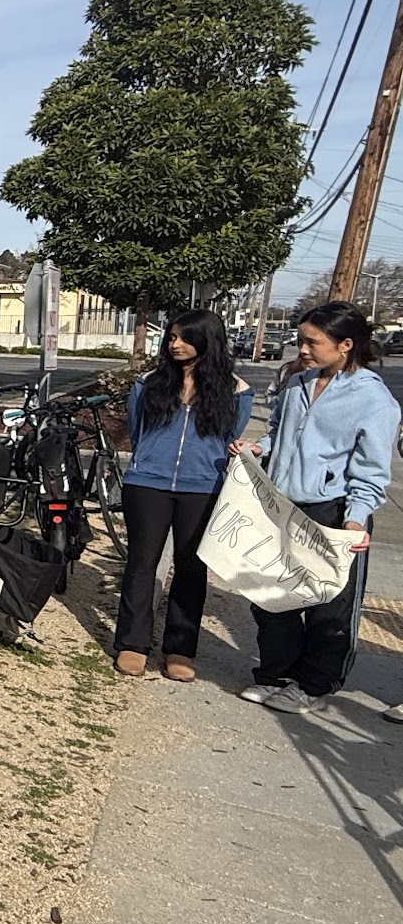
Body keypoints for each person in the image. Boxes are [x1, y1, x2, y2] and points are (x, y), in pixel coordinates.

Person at [233, 301, 398, 715]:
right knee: (272, 595)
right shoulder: (298, 383)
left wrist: (356, 519)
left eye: (312, 342)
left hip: (335, 512)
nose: (302, 349)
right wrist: (261, 447)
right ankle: (278, 674)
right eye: (301, 340)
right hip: (284, 505)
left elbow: (372, 469)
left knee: (329, 608)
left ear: (345, 345)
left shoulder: (374, 399)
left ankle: (314, 685)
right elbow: (278, 432)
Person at [111, 309, 251, 681]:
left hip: (202, 487)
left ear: (208, 341)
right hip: (148, 483)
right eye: (171, 337)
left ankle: (180, 649)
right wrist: (148, 461)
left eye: (185, 338)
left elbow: (228, 436)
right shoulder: (149, 383)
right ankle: (132, 644)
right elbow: (137, 429)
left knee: (191, 568)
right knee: (142, 564)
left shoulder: (236, 391)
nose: (175, 345)